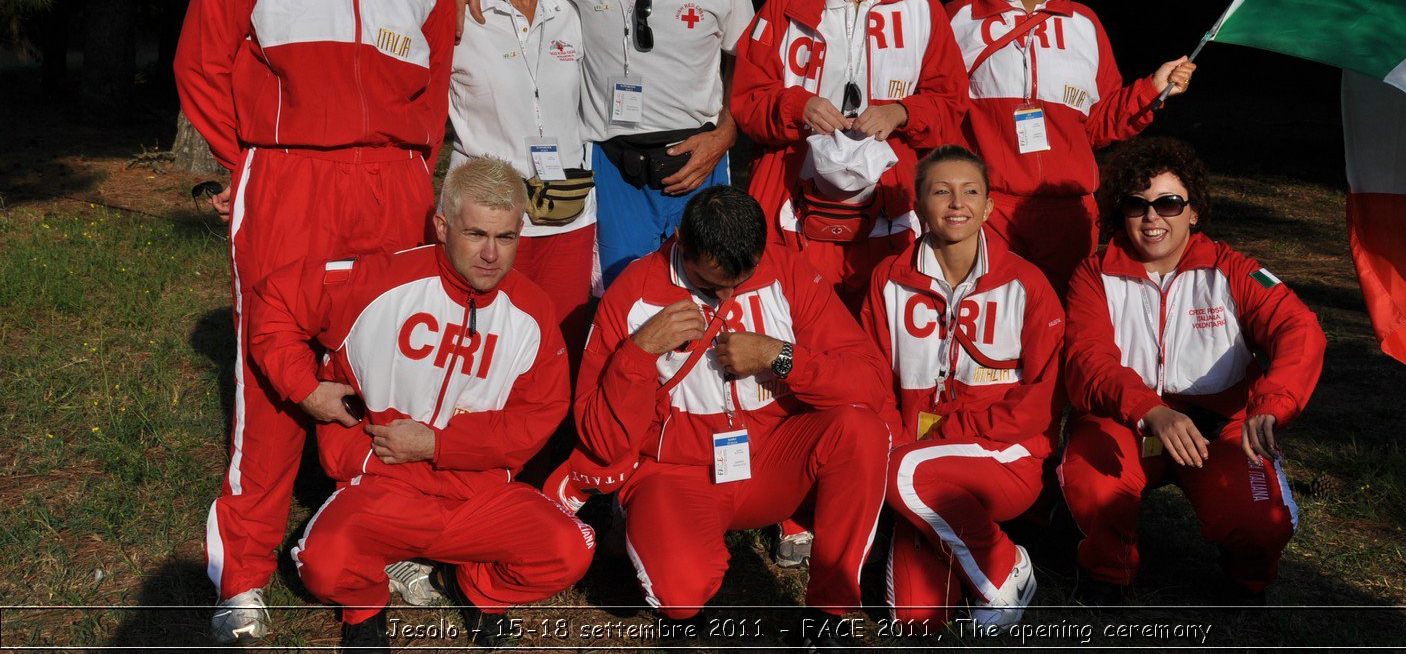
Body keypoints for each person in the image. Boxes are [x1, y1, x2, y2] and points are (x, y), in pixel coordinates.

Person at [173, 0, 454, 644]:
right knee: (272, 369)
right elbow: (200, 58)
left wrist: (418, 170)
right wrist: (244, 158)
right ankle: (245, 572)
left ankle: (382, 537)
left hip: (394, 182)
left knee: (386, 365)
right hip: (291, 180)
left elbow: (436, 81)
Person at [249, 158, 594, 651]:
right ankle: (366, 605)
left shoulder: (534, 312)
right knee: (321, 565)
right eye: (476, 234)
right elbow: (273, 300)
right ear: (441, 226)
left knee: (570, 551)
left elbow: (534, 421)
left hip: (479, 495)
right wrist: (305, 389)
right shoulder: (378, 280)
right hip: (381, 485)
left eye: (506, 238)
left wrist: (439, 444)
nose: (491, 255)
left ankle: (472, 587)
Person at [570, 185, 893, 642]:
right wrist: (638, 354)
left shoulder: (785, 270)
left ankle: (830, 612)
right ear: (681, 241)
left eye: (740, 281)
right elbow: (600, 439)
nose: (725, 294)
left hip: (772, 459)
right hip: (676, 472)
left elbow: (870, 384)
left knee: (862, 430)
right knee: (680, 595)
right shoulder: (634, 293)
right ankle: (649, 540)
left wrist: (783, 357)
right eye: (710, 283)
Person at [458, 0, 753, 287]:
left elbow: (746, 60)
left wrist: (725, 134)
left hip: (699, 159)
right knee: (622, 292)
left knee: (709, 288)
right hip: (614, 170)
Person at [1057, 137, 1326, 603]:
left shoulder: (1235, 270)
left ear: (1194, 210)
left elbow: (1300, 328)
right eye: (1136, 204)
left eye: (1168, 203)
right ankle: (1108, 571)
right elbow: (1089, 359)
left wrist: (1272, 404)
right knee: (1091, 481)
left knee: (1261, 523)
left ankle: (1247, 575)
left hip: (1222, 428)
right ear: (1120, 211)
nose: (1152, 217)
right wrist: (1150, 410)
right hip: (1128, 421)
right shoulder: (1092, 274)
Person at [732, 0, 967, 314]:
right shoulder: (788, 0)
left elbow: (952, 103)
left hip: (890, 199)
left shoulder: (921, 7)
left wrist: (901, 111)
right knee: (793, 319)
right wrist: (797, 105)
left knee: (884, 321)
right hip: (794, 194)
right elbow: (747, 98)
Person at [945, 0, 1196, 292]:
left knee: (1062, 331)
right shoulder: (956, 20)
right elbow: (938, 117)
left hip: (1068, 215)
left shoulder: (1085, 24)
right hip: (988, 210)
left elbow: (1098, 126)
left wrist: (1153, 88)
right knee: (989, 336)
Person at [860, 146, 1064, 628]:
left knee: (904, 474)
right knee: (914, 616)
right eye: (941, 192)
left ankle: (1005, 568)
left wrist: (944, 434)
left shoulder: (1026, 284)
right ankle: (961, 543)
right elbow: (870, 377)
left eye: (971, 191)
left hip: (1005, 454)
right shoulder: (888, 278)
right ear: (918, 207)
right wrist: (901, 436)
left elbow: (1041, 401)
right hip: (916, 454)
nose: (957, 203)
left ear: (989, 206)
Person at [447, 0, 595, 371]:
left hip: (568, 214)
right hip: (489, 216)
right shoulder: (461, 9)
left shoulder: (568, 13)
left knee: (560, 346)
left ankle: (549, 450)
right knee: (486, 349)